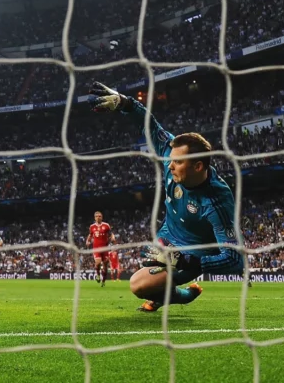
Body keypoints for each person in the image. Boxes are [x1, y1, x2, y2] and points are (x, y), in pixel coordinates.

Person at [89, 82, 244, 312]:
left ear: (199, 166)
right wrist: (124, 103)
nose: (170, 166)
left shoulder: (217, 200)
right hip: (168, 236)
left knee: (138, 284)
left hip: (194, 251)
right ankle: (173, 293)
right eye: (170, 159)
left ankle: (179, 294)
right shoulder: (171, 156)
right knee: (147, 262)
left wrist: (191, 261)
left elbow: (235, 259)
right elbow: (151, 125)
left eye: (178, 162)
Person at [88, 211, 114, 287]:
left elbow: (111, 233)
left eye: (99, 216)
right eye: (96, 216)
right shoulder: (92, 226)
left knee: (105, 266)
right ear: (94, 218)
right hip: (96, 248)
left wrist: (112, 237)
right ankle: (98, 275)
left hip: (105, 248)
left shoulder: (106, 225)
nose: (98, 217)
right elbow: (90, 235)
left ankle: (103, 281)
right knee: (98, 263)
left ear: (102, 217)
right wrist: (88, 240)